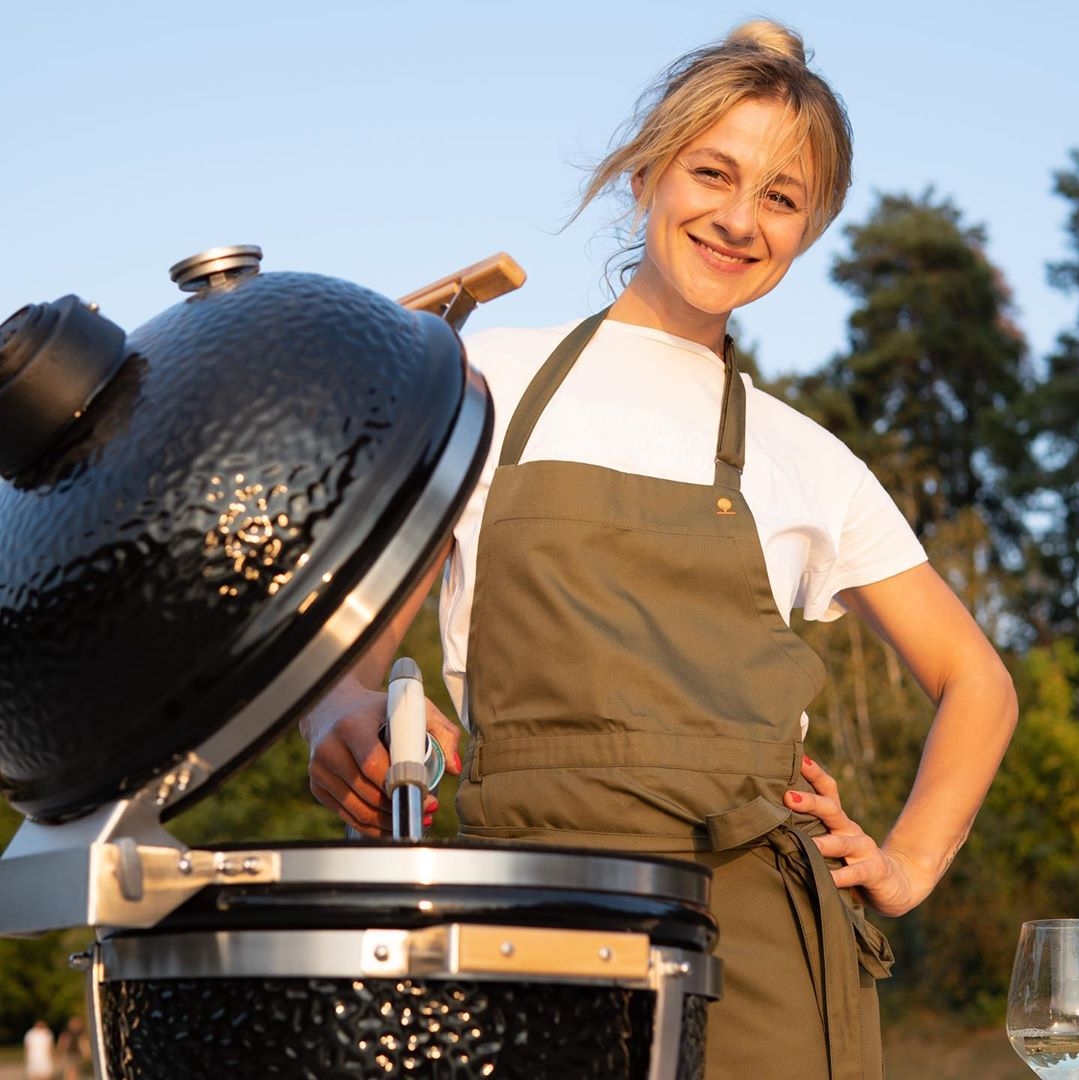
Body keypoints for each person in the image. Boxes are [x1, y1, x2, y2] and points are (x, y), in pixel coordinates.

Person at [302, 19, 1017, 1079]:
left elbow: (978, 682)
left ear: (809, 229)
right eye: (712, 173)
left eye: (781, 198)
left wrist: (907, 863)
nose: (739, 219)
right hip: (525, 917)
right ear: (646, 175)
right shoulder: (485, 382)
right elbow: (355, 646)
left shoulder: (807, 456)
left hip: (759, 945)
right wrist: (340, 713)